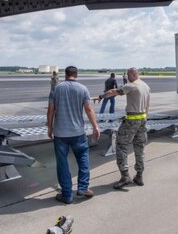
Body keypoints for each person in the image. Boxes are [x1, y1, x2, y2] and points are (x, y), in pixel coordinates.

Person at [47, 66, 100, 204]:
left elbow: (51, 109)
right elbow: (89, 109)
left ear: (65, 75)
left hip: (60, 133)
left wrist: (50, 127)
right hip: (78, 133)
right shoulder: (83, 89)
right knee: (83, 159)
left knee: (62, 163)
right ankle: (83, 188)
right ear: (76, 75)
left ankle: (67, 195)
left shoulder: (57, 88)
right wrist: (95, 127)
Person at [97, 67, 151, 189]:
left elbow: (112, 92)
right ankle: (139, 175)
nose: (127, 78)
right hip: (143, 120)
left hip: (132, 120)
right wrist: (145, 118)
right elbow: (148, 105)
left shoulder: (131, 86)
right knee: (140, 147)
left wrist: (101, 96)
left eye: (128, 75)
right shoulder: (146, 86)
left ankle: (125, 176)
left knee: (121, 146)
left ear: (133, 74)